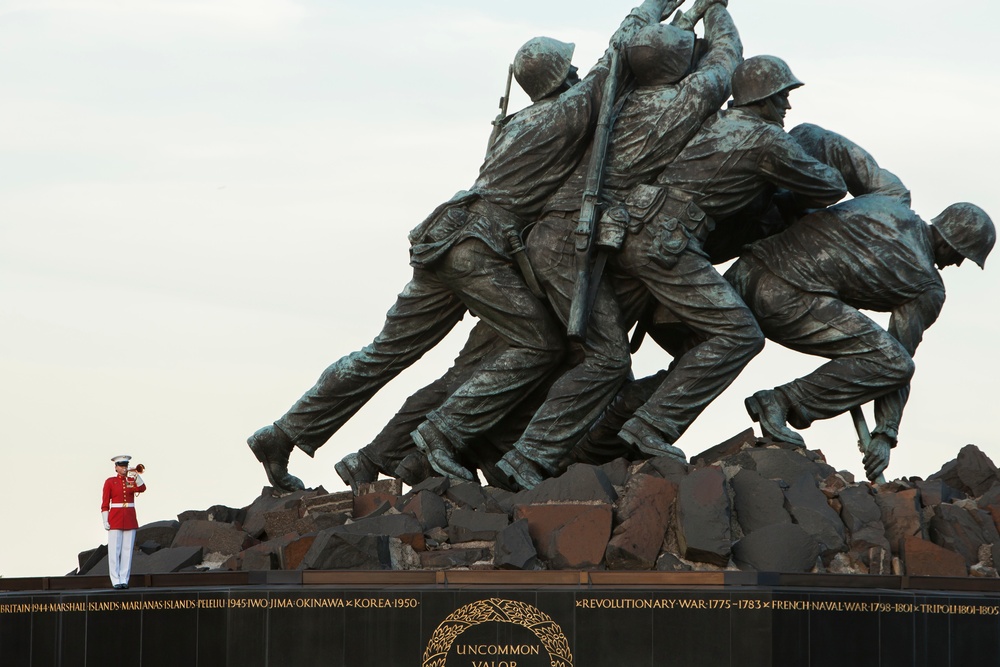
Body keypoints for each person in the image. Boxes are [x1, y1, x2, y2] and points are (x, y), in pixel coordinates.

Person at [249, 0, 678, 494]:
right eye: (570, 65)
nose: (580, 69)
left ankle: (283, 432)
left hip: (447, 237)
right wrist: (655, 7)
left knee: (382, 353)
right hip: (479, 248)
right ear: (560, 76)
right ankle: (439, 436)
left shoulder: (517, 122)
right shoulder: (566, 112)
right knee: (539, 343)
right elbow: (617, 57)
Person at [597, 54, 847, 462]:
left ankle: (601, 433)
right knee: (740, 336)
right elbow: (829, 188)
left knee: (640, 349)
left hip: (636, 230)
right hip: (668, 242)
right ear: (762, 98)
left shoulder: (715, 123)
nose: (787, 106)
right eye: (782, 96)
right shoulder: (767, 139)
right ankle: (651, 425)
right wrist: (819, 153)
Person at [729, 195, 995, 480]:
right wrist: (885, 434)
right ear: (947, 244)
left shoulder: (885, 205)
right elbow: (897, 361)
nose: (956, 265)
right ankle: (780, 401)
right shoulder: (928, 286)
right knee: (893, 363)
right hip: (783, 298)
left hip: (745, 271)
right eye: (961, 256)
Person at [101, 455, 146, 589]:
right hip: (115, 518)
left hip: (129, 517)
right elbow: (105, 503)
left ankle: (124, 579)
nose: (124, 468)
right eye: (121, 466)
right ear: (116, 467)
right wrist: (105, 519)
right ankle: (115, 579)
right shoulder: (110, 482)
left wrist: (136, 475)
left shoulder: (131, 480)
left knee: (127, 550)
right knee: (115, 550)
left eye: (125, 465)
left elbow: (142, 488)